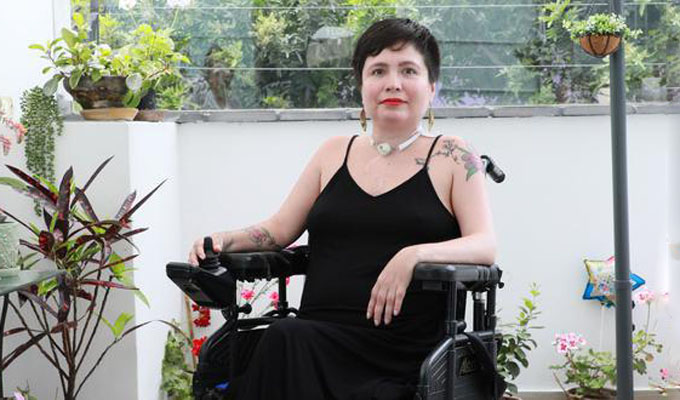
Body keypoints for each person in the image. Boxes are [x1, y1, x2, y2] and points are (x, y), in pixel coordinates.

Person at [188, 18, 496, 400]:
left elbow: (484, 244)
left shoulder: (454, 154)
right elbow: (279, 230)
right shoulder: (333, 152)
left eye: (408, 71)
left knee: (285, 340)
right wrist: (223, 239)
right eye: (378, 71)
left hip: (403, 351)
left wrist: (412, 255)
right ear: (361, 85)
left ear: (431, 86)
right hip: (317, 336)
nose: (393, 83)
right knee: (281, 338)